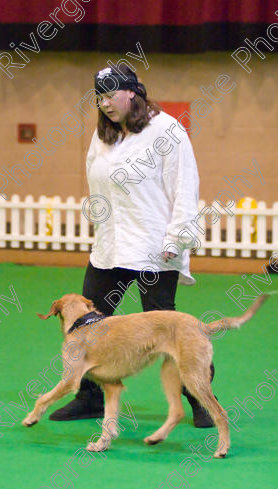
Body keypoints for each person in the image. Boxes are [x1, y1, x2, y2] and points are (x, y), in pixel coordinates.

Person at [49, 64, 215, 427]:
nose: (105, 103)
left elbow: (185, 189)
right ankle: (89, 397)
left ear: (133, 93)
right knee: (88, 324)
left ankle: (201, 399)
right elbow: (95, 177)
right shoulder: (104, 135)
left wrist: (176, 239)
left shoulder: (167, 130)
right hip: (110, 247)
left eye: (111, 95)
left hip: (156, 249)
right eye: (99, 97)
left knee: (170, 328)